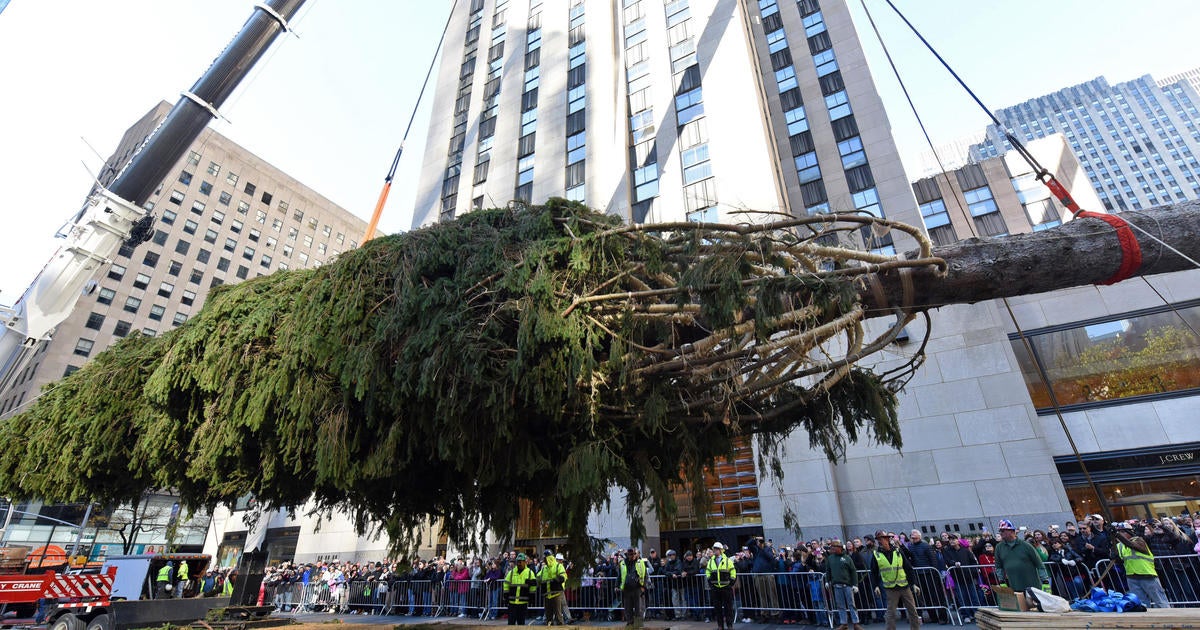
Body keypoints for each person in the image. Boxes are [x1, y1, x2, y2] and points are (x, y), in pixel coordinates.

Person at [1113, 522, 1172, 608]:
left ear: (1130, 532)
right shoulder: (1119, 546)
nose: (1121, 534)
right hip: (1132, 577)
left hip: (1147, 575)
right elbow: (1120, 561)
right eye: (1119, 532)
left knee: (1160, 601)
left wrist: (1117, 535)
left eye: (1122, 532)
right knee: (1141, 604)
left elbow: (1132, 545)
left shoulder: (1139, 540)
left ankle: (1169, 618)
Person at [871, 531, 919, 630]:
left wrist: (913, 583)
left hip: (904, 586)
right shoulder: (876, 554)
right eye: (880, 538)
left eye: (884, 538)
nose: (882, 540)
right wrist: (875, 585)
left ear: (888, 539)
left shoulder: (898, 551)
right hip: (890, 588)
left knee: (912, 611)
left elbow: (908, 567)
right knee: (891, 613)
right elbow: (874, 572)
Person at [993, 519, 1046, 593]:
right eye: (1000, 531)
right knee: (1020, 604)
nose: (1000, 533)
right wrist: (1001, 581)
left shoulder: (1026, 545)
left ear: (1011, 531)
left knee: (1034, 604)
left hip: (1033, 586)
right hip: (1014, 587)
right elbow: (998, 566)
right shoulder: (999, 547)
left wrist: (1045, 581)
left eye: (1003, 530)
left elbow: (1038, 563)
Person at [824, 539, 862, 630]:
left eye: (834, 547)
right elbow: (828, 571)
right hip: (836, 586)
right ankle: (844, 623)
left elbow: (853, 571)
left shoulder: (847, 558)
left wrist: (855, 584)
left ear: (839, 548)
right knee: (840, 605)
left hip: (847, 585)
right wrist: (827, 581)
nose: (832, 549)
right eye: (831, 547)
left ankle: (856, 623)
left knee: (851, 604)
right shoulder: (830, 558)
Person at [705, 542, 737, 630]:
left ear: (720, 550)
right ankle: (720, 626)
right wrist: (710, 582)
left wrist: (731, 582)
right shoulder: (711, 561)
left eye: (716, 549)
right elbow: (708, 571)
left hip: (726, 588)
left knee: (728, 608)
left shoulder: (727, 560)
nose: (714, 550)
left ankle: (729, 625)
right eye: (714, 549)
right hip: (715, 588)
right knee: (718, 609)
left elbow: (733, 571)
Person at [619, 548, 648, 628]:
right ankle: (630, 623)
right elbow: (620, 575)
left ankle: (638, 624)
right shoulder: (623, 563)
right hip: (627, 589)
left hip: (637, 588)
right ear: (627, 555)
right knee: (628, 608)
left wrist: (643, 586)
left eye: (634, 554)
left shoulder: (640, 562)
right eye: (631, 554)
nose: (633, 555)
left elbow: (645, 575)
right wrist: (617, 586)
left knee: (639, 608)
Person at [504, 553, 537, 626]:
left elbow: (533, 586)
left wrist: (532, 595)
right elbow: (506, 583)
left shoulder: (529, 572)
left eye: (521, 561)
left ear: (525, 562)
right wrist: (505, 595)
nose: (519, 563)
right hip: (512, 603)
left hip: (523, 603)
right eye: (518, 561)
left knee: (521, 624)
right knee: (511, 623)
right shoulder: (511, 572)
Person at [540, 550, 567, 625]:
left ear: (548, 558)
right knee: (548, 617)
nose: (543, 559)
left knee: (558, 616)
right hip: (547, 595)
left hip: (556, 594)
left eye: (545, 558)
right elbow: (539, 578)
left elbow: (563, 576)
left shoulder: (558, 566)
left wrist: (557, 579)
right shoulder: (544, 568)